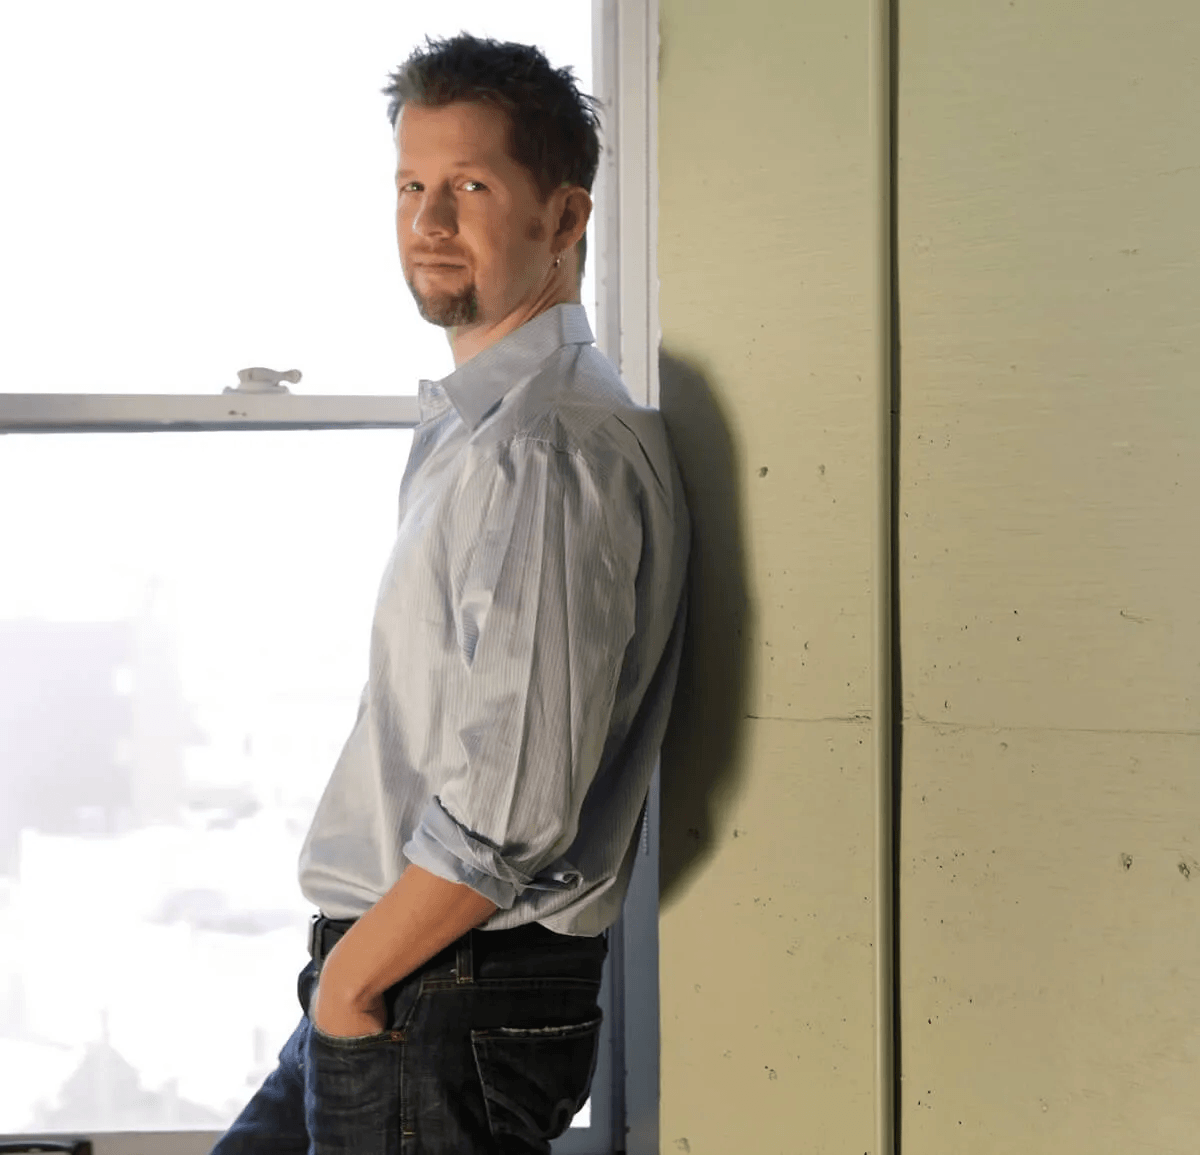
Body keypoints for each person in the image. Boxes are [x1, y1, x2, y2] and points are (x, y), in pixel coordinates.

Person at [211, 32, 688, 1155]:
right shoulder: (479, 428)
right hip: (401, 975)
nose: (428, 220)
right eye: (410, 186)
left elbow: (508, 807)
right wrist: (349, 985)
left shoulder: (548, 449)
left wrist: (353, 988)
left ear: (564, 218)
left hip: (437, 990)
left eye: (469, 186)